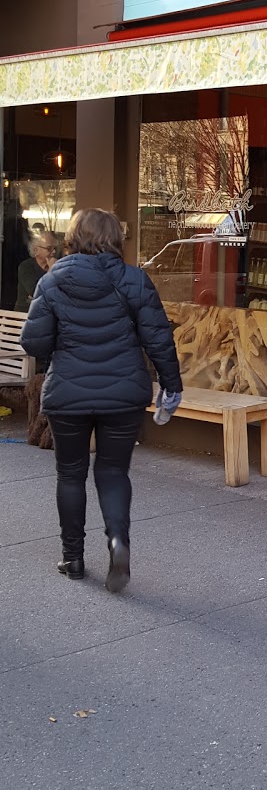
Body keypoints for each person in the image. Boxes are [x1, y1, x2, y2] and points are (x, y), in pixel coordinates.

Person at [21, 209, 182, 591]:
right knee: (112, 472)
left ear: (73, 238)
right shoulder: (134, 280)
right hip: (124, 394)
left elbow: (34, 342)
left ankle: (73, 558)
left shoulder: (53, 279)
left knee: (70, 474)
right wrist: (171, 387)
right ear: (115, 239)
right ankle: (117, 542)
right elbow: (159, 338)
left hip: (69, 392)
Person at [14, 230, 57, 311]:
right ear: (36, 250)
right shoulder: (26, 266)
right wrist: (51, 272)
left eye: (55, 248)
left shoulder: (58, 265)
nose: (54, 251)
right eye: (49, 248)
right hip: (25, 316)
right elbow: (35, 291)